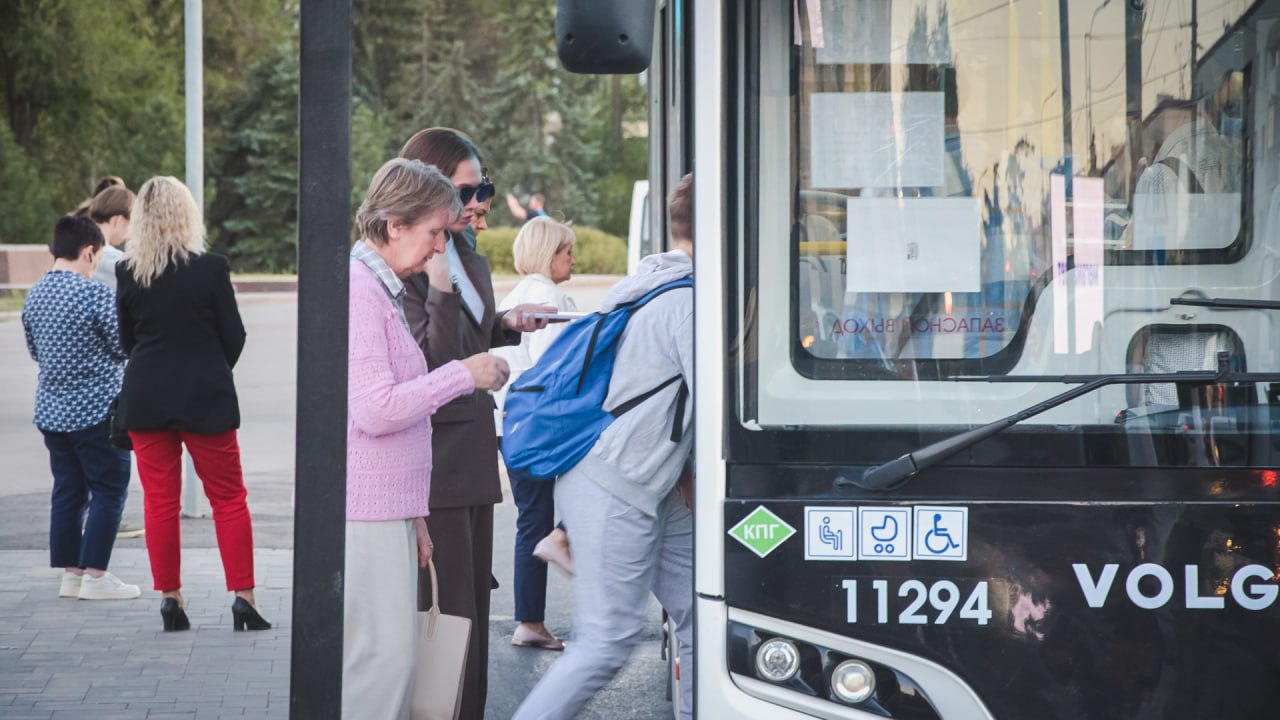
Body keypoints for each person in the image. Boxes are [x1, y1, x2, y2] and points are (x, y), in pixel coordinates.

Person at [514, 173, 696, 720]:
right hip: (616, 483)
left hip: (653, 483)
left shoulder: (662, 285)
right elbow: (716, 410)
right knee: (606, 641)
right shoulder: (684, 304)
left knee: (704, 617)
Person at [342, 157, 510, 719]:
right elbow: (375, 407)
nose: (442, 246)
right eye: (435, 231)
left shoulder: (377, 285)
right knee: (381, 666)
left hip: (386, 508)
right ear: (396, 225)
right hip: (365, 512)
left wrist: (414, 513)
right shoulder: (362, 290)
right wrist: (465, 374)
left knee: (391, 663)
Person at [398, 127, 552, 720]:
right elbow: (432, 360)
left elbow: (470, 335)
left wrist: (509, 322)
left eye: (484, 186)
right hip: (434, 462)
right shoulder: (414, 265)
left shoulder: (468, 256)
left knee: (473, 616)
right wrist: (438, 281)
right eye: (469, 190)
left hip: (472, 455)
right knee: (446, 614)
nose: (481, 201)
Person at [115, 176, 269, 632]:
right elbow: (234, 335)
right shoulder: (211, 267)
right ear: (187, 216)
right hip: (205, 397)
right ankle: (243, 597)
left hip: (146, 397)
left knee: (159, 502)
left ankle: (170, 598)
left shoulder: (129, 271)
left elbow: (128, 341)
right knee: (229, 498)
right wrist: (210, 367)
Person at [21, 215, 140, 601]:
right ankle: (96, 575)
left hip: (52, 412)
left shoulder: (35, 295)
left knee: (69, 491)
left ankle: (71, 573)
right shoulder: (94, 295)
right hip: (96, 411)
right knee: (109, 489)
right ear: (89, 252)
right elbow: (124, 346)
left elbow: (36, 351)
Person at [492, 218, 579, 651]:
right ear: (549, 253)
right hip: (538, 425)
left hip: (513, 426)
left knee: (533, 520)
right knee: (603, 477)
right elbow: (553, 371)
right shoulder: (545, 295)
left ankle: (531, 621)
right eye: (567, 250)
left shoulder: (521, 292)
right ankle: (530, 619)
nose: (573, 259)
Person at [88, 186, 134, 294]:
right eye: (131, 223)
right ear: (117, 220)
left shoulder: (75, 251)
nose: (131, 231)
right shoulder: (119, 262)